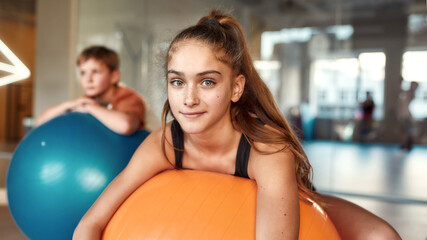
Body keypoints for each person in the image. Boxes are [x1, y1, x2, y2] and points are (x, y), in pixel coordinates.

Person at [73, 10, 401, 240]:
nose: (188, 99)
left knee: (382, 235)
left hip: (298, 201)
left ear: (236, 88)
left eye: (207, 82)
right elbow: (89, 224)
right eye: (177, 82)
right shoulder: (165, 143)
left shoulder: (267, 151)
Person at [36, 46, 146, 135]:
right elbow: (40, 122)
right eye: (83, 73)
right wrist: (70, 104)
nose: (88, 79)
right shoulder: (87, 99)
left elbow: (125, 126)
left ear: (114, 76)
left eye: (96, 72)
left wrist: (89, 107)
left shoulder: (128, 97)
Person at [398, 80, 419, 150]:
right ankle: (405, 144)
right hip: (404, 115)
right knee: (404, 130)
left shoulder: (411, 94)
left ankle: (407, 144)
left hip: (406, 115)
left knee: (407, 131)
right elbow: (401, 90)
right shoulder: (407, 92)